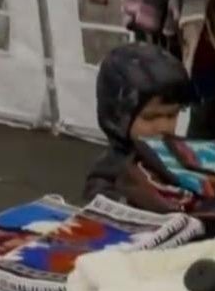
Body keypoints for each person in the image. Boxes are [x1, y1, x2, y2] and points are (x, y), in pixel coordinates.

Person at [81, 41, 196, 210]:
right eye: (150, 117)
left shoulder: (181, 154)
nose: (163, 126)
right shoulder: (108, 175)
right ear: (117, 117)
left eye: (171, 115)